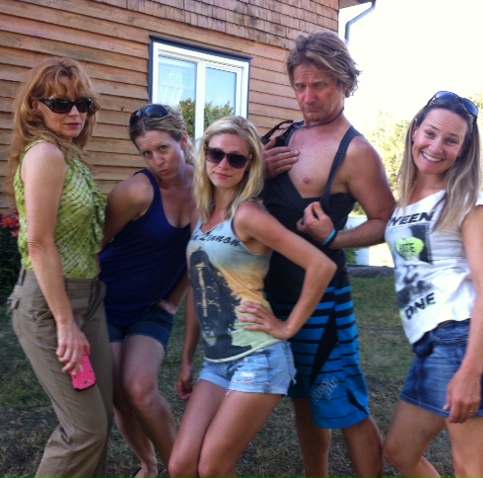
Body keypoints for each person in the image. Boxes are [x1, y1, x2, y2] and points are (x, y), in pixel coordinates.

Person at [167, 115, 337, 478]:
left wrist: (287, 327)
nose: (223, 164)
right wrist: (187, 358)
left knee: (212, 467)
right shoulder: (202, 214)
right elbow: (199, 286)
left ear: (249, 166)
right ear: (205, 155)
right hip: (216, 362)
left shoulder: (248, 215)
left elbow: (321, 266)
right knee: (181, 465)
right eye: (216, 154)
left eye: (236, 158)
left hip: (258, 359)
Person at [262, 31, 394, 477]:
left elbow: (385, 221)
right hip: (276, 295)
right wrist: (257, 171)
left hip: (323, 304)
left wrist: (334, 237)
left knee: (346, 405)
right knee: (304, 400)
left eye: (319, 85)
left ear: (345, 83)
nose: (307, 97)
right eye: (300, 86)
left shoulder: (356, 151)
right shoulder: (285, 135)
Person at [382, 91, 483, 478]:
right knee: (400, 452)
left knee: (473, 470)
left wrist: (471, 371)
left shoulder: (468, 200)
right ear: (415, 131)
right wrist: (331, 237)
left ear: (463, 150)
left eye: (451, 140)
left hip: (465, 339)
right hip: (430, 345)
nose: (436, 146)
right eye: (430, 133)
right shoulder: (406, 200)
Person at [5, 57, 113, 478]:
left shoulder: (70, 156)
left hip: (89, 298)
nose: (74, 114)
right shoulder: (45, 154)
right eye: (60, 103)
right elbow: (39, 242)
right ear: (36, 106)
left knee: (100, 421)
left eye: (83, 104)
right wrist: (66, 323)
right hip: (51, 306)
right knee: (85, 431)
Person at [98, 104, 194, 478]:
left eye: (163, 148)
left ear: (182, 140)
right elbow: (93, 247)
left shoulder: (207, 187)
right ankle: (149, 464)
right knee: (119, 396)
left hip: (152, 307)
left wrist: (174, 300)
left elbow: (202, 253)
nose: (157, 161)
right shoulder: (137, 191)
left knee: (139, 388)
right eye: (147, 153)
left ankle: (182, 470)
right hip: (106, 303)